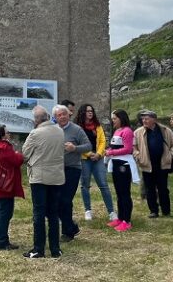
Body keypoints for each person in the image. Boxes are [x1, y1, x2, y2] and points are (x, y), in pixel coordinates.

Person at [21, 105, 67, 258]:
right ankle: (55, 249)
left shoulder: (35, 133)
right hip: (56, 176)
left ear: (36, 120)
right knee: (53, 213)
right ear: (48, 117)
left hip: (39, 177)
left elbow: (25, 153)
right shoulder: (60, 131)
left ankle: (38, 249)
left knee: (39, 214)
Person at [52, 104, 91, 243]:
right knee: (56, 201)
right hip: (56, 169)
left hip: (73, 169)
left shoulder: (77, 129)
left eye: (64, 114)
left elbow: (88, 146)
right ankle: (72, 227)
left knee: (66, 200)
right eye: (59, 115)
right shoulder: (52, 130)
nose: (62, 116)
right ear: (55, 118)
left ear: (69, 115)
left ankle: (68, 232)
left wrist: (75, 148)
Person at [133, 110, 173, 219]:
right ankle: (153, 211)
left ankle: (166, 211)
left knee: (163, 189)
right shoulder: (138, 132)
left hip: (162, 165)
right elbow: (133, 146)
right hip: (147, 165)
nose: (144, 120)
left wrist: (171, 155)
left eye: (146, 118)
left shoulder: (165, 130)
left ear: (154, 119)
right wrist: (137, 155)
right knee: (150, 189)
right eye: (143, 118)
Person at [0, 124, 25, 250]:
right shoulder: (4, 147)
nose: (9, 134)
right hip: (5, 186)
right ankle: (2, 241)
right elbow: (16, 160)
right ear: (2, 135)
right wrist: (19, 154)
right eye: (7, 133)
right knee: (5, 214)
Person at [75, 103, 116, 222]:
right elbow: (78, 143)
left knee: (103, 184)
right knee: (85, 185)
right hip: (84, 159)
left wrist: (98, 154)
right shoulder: (78, 127)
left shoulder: (97, 126)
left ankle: (111, 212)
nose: (90, 112)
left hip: (97, 158)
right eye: (88, 111)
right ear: (83, 112)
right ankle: (88, 210)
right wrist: (89, 154)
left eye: (91, 110)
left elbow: (103, 141)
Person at [105, 109, 138, 232]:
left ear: (121, 118)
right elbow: (114, 146)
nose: (113, 121)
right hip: (116, 163)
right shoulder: (117, 131)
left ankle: (127, 220)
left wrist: (111, 152)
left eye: (115, 118)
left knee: (125, 193)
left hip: (124, 164)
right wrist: (108, 150)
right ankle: (120, 217)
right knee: (119, 192)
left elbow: (128, 149)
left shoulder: (127, 131)